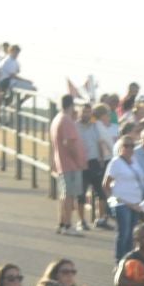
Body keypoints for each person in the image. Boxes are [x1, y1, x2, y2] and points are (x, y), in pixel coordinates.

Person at [48, 96, 90, 236]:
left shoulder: (57, 119)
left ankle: (62, 223)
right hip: (70, 164)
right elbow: (69, 142)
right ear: (71, 105)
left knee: (64, 194)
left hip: (62, 163)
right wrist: (78, 160)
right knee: (69, 196)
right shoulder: (66, 120)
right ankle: (67, 225)